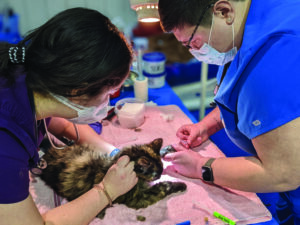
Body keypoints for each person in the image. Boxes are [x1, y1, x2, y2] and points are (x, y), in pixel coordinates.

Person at [158, 0, 300, 224]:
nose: (193, 52)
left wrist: (200, 167)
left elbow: (284, 173)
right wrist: (206, 125)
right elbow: (247, 95)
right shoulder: (249, 18)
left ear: (224, 11)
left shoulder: (269, 63)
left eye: (194, 43)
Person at [0, 7, 138, 225]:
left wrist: (110, 151)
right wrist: (106, 191)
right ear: (77, 90)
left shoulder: (30, 76)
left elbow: (57, 122)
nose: (108, 104)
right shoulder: (4, 144)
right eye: (109, 94)